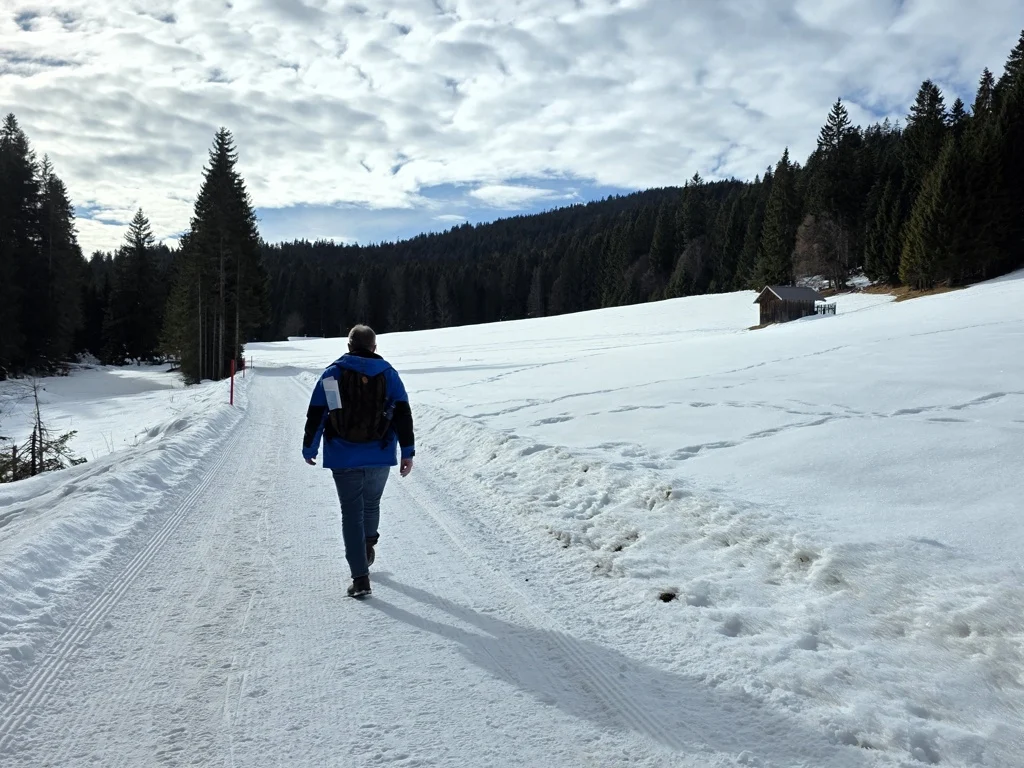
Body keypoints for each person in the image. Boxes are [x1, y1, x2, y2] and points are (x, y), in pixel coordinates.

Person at [302, 324, 415, 598]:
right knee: (372, 503)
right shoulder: (389, 375)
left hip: (343, 454)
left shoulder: (333, 374)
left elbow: (320, 412)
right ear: (374, 347)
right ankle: (367, 544)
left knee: (351, 512)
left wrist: (310, 447)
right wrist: (407, 452)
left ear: (349, 346)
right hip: (380, 452)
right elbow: (402, 414)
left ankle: (360, 578)